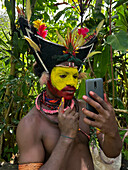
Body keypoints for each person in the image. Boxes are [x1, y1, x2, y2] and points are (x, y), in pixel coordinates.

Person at [16, 17, 122, 170]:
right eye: (63, 75)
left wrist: (111, 131)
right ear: (46, 78)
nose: (71, 83)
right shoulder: (31, 124)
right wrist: (66, 138)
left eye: (74, 76)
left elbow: (112, 153)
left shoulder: (87, 110)